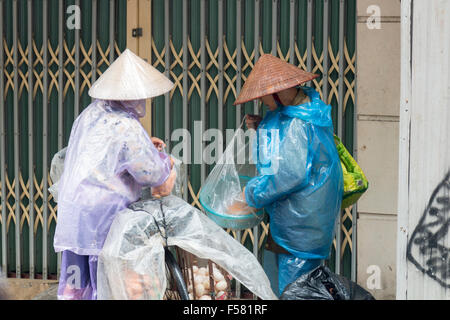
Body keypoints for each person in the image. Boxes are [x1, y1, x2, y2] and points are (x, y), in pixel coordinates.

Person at [53, 49, 177, 300]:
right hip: (103, 219)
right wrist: (167, 161)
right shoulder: (126, 125)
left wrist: (142, 145)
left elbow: (100, 155)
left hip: (75, 216)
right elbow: (150, 174)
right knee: (106, 286)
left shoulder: (89, 115)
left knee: (76, 286)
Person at [231, 54, 344, 295]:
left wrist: (251, 193)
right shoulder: (304, 111)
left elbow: (289, 174)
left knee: (294, 290)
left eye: (263, 96)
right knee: (291, 287)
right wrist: (262, 125)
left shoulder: (299, 124)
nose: (261, 101)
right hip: (303, 220)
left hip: (299, 224)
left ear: (279, 92)